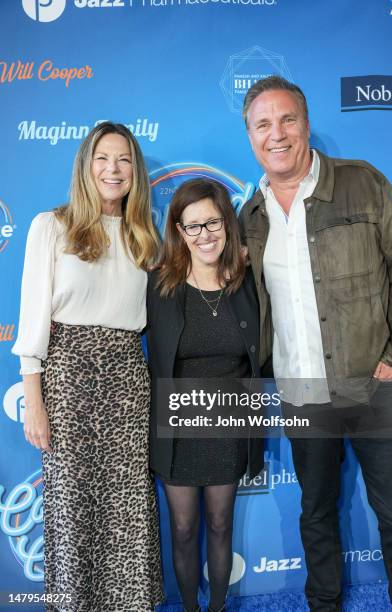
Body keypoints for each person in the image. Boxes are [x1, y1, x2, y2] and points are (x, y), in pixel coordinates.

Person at [239, 75, 392, 611]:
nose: (277, 134)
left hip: (374, 384)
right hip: (302, 390)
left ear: (307, 124)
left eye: (287, 119)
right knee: (315, 515)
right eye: (263, 124)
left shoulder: (363, 182)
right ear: (250, 136)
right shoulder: (251, 216)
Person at [12, 122, 164, 611]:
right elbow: (32, 322)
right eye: (103, 158)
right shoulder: (50, 226)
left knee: (128, 510)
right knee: (72, 509)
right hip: (67, 380)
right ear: (86, 165)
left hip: (127, 380)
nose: (113, 169)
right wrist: (34, 402)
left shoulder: (145, 237)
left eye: (123, 160)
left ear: (134, 171)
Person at [146, 178, 264, 612]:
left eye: (213, 222)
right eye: (192, 226)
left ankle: (216, 606)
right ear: (179, 232)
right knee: (182, 528)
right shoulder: (159, 286)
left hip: (229, 425)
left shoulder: (247, 282)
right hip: (176, 428)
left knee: (219, 524)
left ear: (227, 224)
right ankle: (190, 609)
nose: (204, 235)